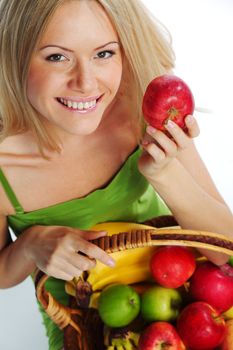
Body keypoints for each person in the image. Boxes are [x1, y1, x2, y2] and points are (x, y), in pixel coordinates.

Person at [0, 0, 232, 349]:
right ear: (14, 57)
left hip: (182, 297)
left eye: (104, 54)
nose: (86, 82)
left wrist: (166, 173)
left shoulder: (141, 107)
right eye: (57, 57)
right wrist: (32, 245)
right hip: (80, 325)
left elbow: (225, 252)